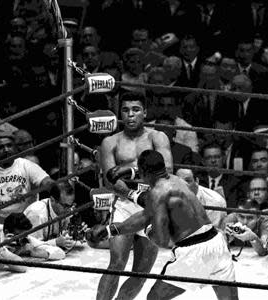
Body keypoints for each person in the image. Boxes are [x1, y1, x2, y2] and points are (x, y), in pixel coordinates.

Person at [87, 150, 238, 300]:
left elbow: (163, 241)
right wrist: (111, 230)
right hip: (217, 244)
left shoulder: (157, 194)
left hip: (193, 252)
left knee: (155, 297)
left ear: (144, 172)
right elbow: (147, 212)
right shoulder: (178, 181)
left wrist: (148, 230)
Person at [95, 92, 172, 300]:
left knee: (141, 271)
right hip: (125, 203)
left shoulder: (157, 137)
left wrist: (128, 171)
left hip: (153, 203)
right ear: (120, 114)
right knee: (117, 263)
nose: (131, 115)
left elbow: (167, 169)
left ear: (145, 112)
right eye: (126, 110)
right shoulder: (110, 142)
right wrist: (133, 194)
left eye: (136, 110)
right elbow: (110, 179)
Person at [0, 130, 54, 223]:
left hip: (28, 218)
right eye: (1, 147)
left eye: (9, 145)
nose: (6, 150)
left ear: (15, 147)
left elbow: (47, 182)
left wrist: (57, 190)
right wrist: (2, 222)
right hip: (0, 220)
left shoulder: (26, 165)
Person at [23, 182, 76, 251]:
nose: (69, 210)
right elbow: (31, 247)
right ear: (52, 200)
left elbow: (65, 233)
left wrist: (75, 233)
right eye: (65, 206)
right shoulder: (37, 214)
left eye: (71, 205)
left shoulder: (65, 209)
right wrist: (55, 242)